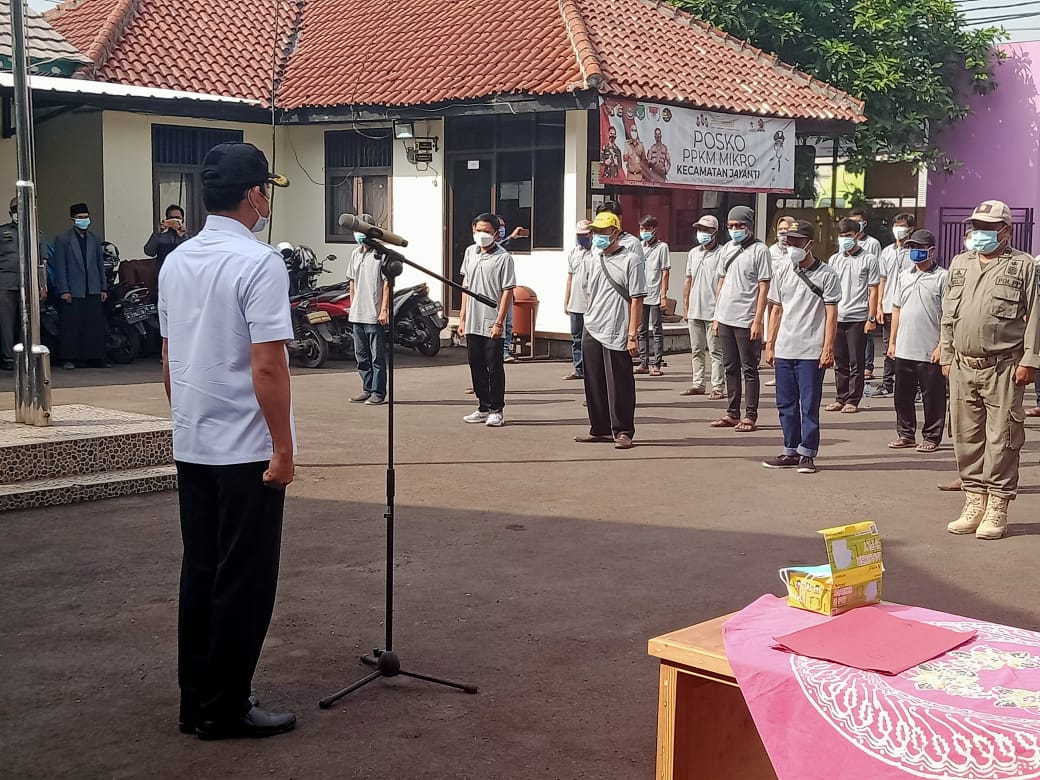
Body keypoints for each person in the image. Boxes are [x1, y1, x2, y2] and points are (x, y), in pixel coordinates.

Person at [158, 141, 296, 739]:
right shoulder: (259, 262)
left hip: (194, 442)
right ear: (253, 195)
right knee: (245, 576)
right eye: (265, 191)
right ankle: (227, 705)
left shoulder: (177, 260)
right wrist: (284, 447)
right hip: (246, 448)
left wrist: (187, 418)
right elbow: (268, 364)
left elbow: (168, 358)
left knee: (202, 570)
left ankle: (198, 699)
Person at [940, 199, 1040, 540]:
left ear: (1006, 231)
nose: (978, 234)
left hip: (1004, 367)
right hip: (963, 365)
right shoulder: (960, 263)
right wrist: (946, 353)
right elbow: (948, 314)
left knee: (1003, 438)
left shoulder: (1023, 266)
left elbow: (1036, 317)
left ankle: (997, 505)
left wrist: (1031, 359)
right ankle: (974, 500)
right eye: (976, 227)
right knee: (966, 438)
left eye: (987, 228)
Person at [763, 220, 840, 475]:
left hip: (810, 350)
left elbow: (831, 313)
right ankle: (790, 449)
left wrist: (828, 348)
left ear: (810, 244)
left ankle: (807, 452)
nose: (792, 246)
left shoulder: (827, 274)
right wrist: (770, 344)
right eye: (789, 241)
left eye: (797, 242)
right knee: (785, 404)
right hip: (785, 347)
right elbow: (776, 308)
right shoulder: (784, 269)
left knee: (808, 404)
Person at [576, 210, 645, 449]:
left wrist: (632, 334)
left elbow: (637, 298)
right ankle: (600, 428)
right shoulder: (594, 257)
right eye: (595, 232)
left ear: (615, 233)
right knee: (593, 380)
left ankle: (623, 430)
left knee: (619, 382)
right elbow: (589, 290)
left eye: (603, 232)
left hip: (618, 327)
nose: (597, 236)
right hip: (593, 325)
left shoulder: (631, 259)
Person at [710, 206, 772, 432]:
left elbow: (764, 287)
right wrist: (717, 316)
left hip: (746, 319)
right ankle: (732, 412)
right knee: (730, 367)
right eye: (731, 226)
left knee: (749, 368)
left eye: (739, 226)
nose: (734, 230)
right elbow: (721, 282)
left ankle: (750, 415)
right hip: (725, 317)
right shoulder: (727, 248)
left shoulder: (760, 251)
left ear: (749, 227)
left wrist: (758, 320)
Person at [886, 229, 948, 453]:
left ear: (931, 250)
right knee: (902, 394)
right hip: (904, 347)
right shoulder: (904, 275)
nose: (915, 252)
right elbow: (896, 309)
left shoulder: (943, 277)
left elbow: (948, 314)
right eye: (912, 248)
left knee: (933, 395)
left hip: (929, 348)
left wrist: (942, 345)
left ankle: (932, 436)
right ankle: (905, 434)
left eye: (919, 248)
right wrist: (892, 342)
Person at [458, 213, 516, 427]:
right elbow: (465, 286)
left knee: (494, 366)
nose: (482, 235)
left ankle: (496, 409)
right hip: (472, 320)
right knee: (476, 364)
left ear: (495, 234)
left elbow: (508, 291)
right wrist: (462, 319)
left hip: (492, 320)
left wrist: (500, 322)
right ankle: (482, 406)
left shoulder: (503, 258)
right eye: (479, 230)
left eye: (487, 232)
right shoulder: (469, 253)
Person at [825, 218, 880, 414]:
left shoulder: (869, 259)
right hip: (838, 315)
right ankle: (840, 397)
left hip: (858, 316)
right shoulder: (835, 259)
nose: (844, 240)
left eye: (848, 236)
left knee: (856, 361)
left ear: (857, 235)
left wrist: (871, 317)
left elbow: (874, 289)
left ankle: (853, 399)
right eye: (841, 236)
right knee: (839, 360)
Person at [49, 202, 108, 370]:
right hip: (73, 290)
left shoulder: (94, 239)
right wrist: (64, 290)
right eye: (80, 218)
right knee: (72, 326)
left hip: (93, 288)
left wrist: (103, 288)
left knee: (93, 325)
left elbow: (99, 264)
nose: (84, 220)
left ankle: (95, 358)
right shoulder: (63, 240)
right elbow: (60, 267)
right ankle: (70, 358)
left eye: (86, 217)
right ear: (72, 219)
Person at [345, 215, 390, 405]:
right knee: (361, 355)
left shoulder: (382, 254)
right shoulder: (356, 253)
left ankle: (378, 393)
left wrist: (384, 310)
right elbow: (352, 282)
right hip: (358, 314)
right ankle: (367, 388)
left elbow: (387, 283)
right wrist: (352, 305)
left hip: (374, 313)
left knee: (376, 357)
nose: (359, 235)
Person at [0, 197, 47, 370]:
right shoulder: (2, 232)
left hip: (29, 283)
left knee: (27, 322)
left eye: (20, 209)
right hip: (6, 282)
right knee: (6, 322)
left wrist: (43, 286)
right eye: (14, 209)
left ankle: (26, 357)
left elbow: (42, 263)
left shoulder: (36, 234)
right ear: (9, 212)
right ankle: (8, 358)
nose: (17, 213)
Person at [681, 215, 725, 399]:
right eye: (700, 230)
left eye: (706, 230)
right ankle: (698, 383)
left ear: (714, 232)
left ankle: (717, 386)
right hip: (695, 310)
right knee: (696, 349)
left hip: (713, 310)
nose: (702, 234)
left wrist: (720, 311)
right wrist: (686, 306)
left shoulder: (722, 253)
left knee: (716, 351)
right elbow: (688, 280)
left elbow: (723, 283)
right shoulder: (693, 253)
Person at [872, 212, 915, 396]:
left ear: (911, 229)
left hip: (909, 307)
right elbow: (882, 279)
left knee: (911, 347)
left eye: (902, 226)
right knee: (889, 345)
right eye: (896, 225)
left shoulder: (914, 252)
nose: (898, 230)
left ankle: (913, 386)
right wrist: (879, 306)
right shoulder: (887, 252)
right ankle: (886, 383)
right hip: (889, 305)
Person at [635, 215, 670, 376]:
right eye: (642, 229)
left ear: (654, 230)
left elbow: (665, 272)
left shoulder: (662, 247)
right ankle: (644, 362)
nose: (644, 232)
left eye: (647, 229)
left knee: (656, 329)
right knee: (641, 329)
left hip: (655, 294)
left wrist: (663, 295)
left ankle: (657, 364)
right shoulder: (639, 246)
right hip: (641, 294)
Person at [765, 215, 797, 388]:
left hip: (791, 300)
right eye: (780, 230)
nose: (783, 234)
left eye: (787, 230)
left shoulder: (796, 251)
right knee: (774, 335)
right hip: (774, 298)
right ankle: (778, 372)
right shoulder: (771, 251)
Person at [494, 215, 528, 364]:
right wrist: (512, 237)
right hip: (492, 294)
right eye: (499, 226)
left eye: (503, 226)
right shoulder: (484, 250)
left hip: (506, 291)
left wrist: (512, 237)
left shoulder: (502, 249)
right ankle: (495, 351)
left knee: (507, 323)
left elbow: (503, 244)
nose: (502, 229)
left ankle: (505, 351)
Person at [562, 220, 592, 380]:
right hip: (575, 303)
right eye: (579, 235)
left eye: (584, 235)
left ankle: (591, 370)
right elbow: (570, 278)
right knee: (576, 338)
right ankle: (579, 368)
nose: (581, 238)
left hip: (591, 305)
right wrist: (566, 301)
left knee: (591, 341)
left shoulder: (596, 253)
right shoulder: (574, 253)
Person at [144, 204, 188, 273]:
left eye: (177, 218)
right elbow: (149, 252)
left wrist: (182, 237)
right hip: (164, 275)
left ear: (182, 220)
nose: (174, 221)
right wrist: (157, 233)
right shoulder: (160, 237)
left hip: (183, 275)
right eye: (171, 218)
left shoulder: (188, 238)